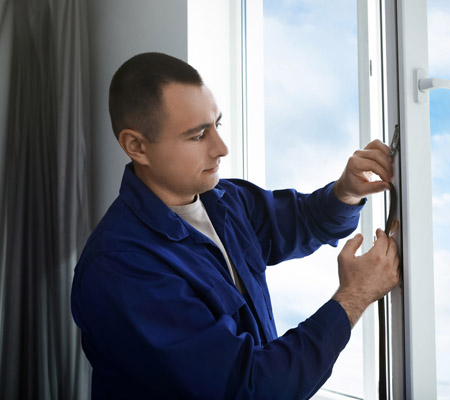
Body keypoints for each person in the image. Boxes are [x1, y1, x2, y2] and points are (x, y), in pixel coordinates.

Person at [71, 52, 399, 399]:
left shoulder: (225, 201)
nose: (221, 148)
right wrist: (353, 297)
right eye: (197, 136)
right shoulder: (121, 269)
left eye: (217, 124)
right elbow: (249, 389)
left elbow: (304, 220)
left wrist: (345, 191)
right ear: (136, 146)